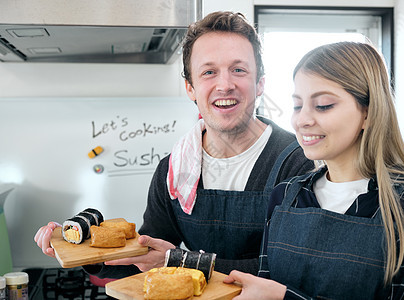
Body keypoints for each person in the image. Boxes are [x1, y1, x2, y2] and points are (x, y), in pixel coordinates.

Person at [34, 11, 313, 278]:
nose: (225, 84)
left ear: (260, 83)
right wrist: (81, 248)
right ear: (190, 87)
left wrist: (179, 261)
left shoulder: (299, 162)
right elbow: (146, 257)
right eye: (208, 72)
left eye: (238, 70)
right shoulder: (175, 169)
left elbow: (294, 268)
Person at [224, 41, 404, 299]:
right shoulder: (285, 196)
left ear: (368, 113)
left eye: (323, 105)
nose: (303, 120)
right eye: (298, 106)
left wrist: (284, 297)